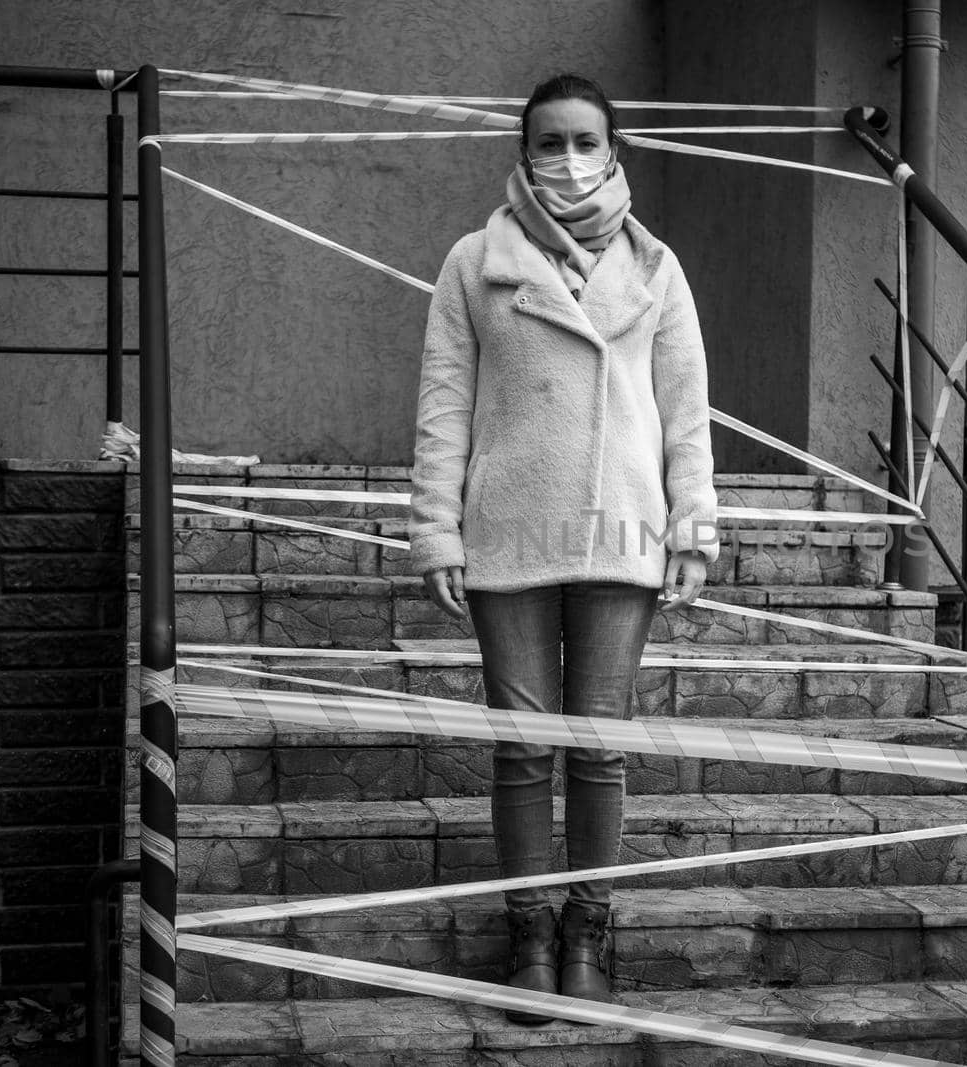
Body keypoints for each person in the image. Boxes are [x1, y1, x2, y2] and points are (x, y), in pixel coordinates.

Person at [408, 71, 720, 1025]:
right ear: (523, 151)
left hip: (624, 537)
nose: (570, 158)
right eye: (552, 141)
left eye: (587, 140)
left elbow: (684, 410)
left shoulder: (657, 268)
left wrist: (694, 521)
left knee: (598, 751)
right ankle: (531, 936)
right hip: (508, 534)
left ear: (614, 150)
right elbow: (444, 401)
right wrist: (435, 525)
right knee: (520, 752)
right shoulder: (473, 261)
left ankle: (588, 930)